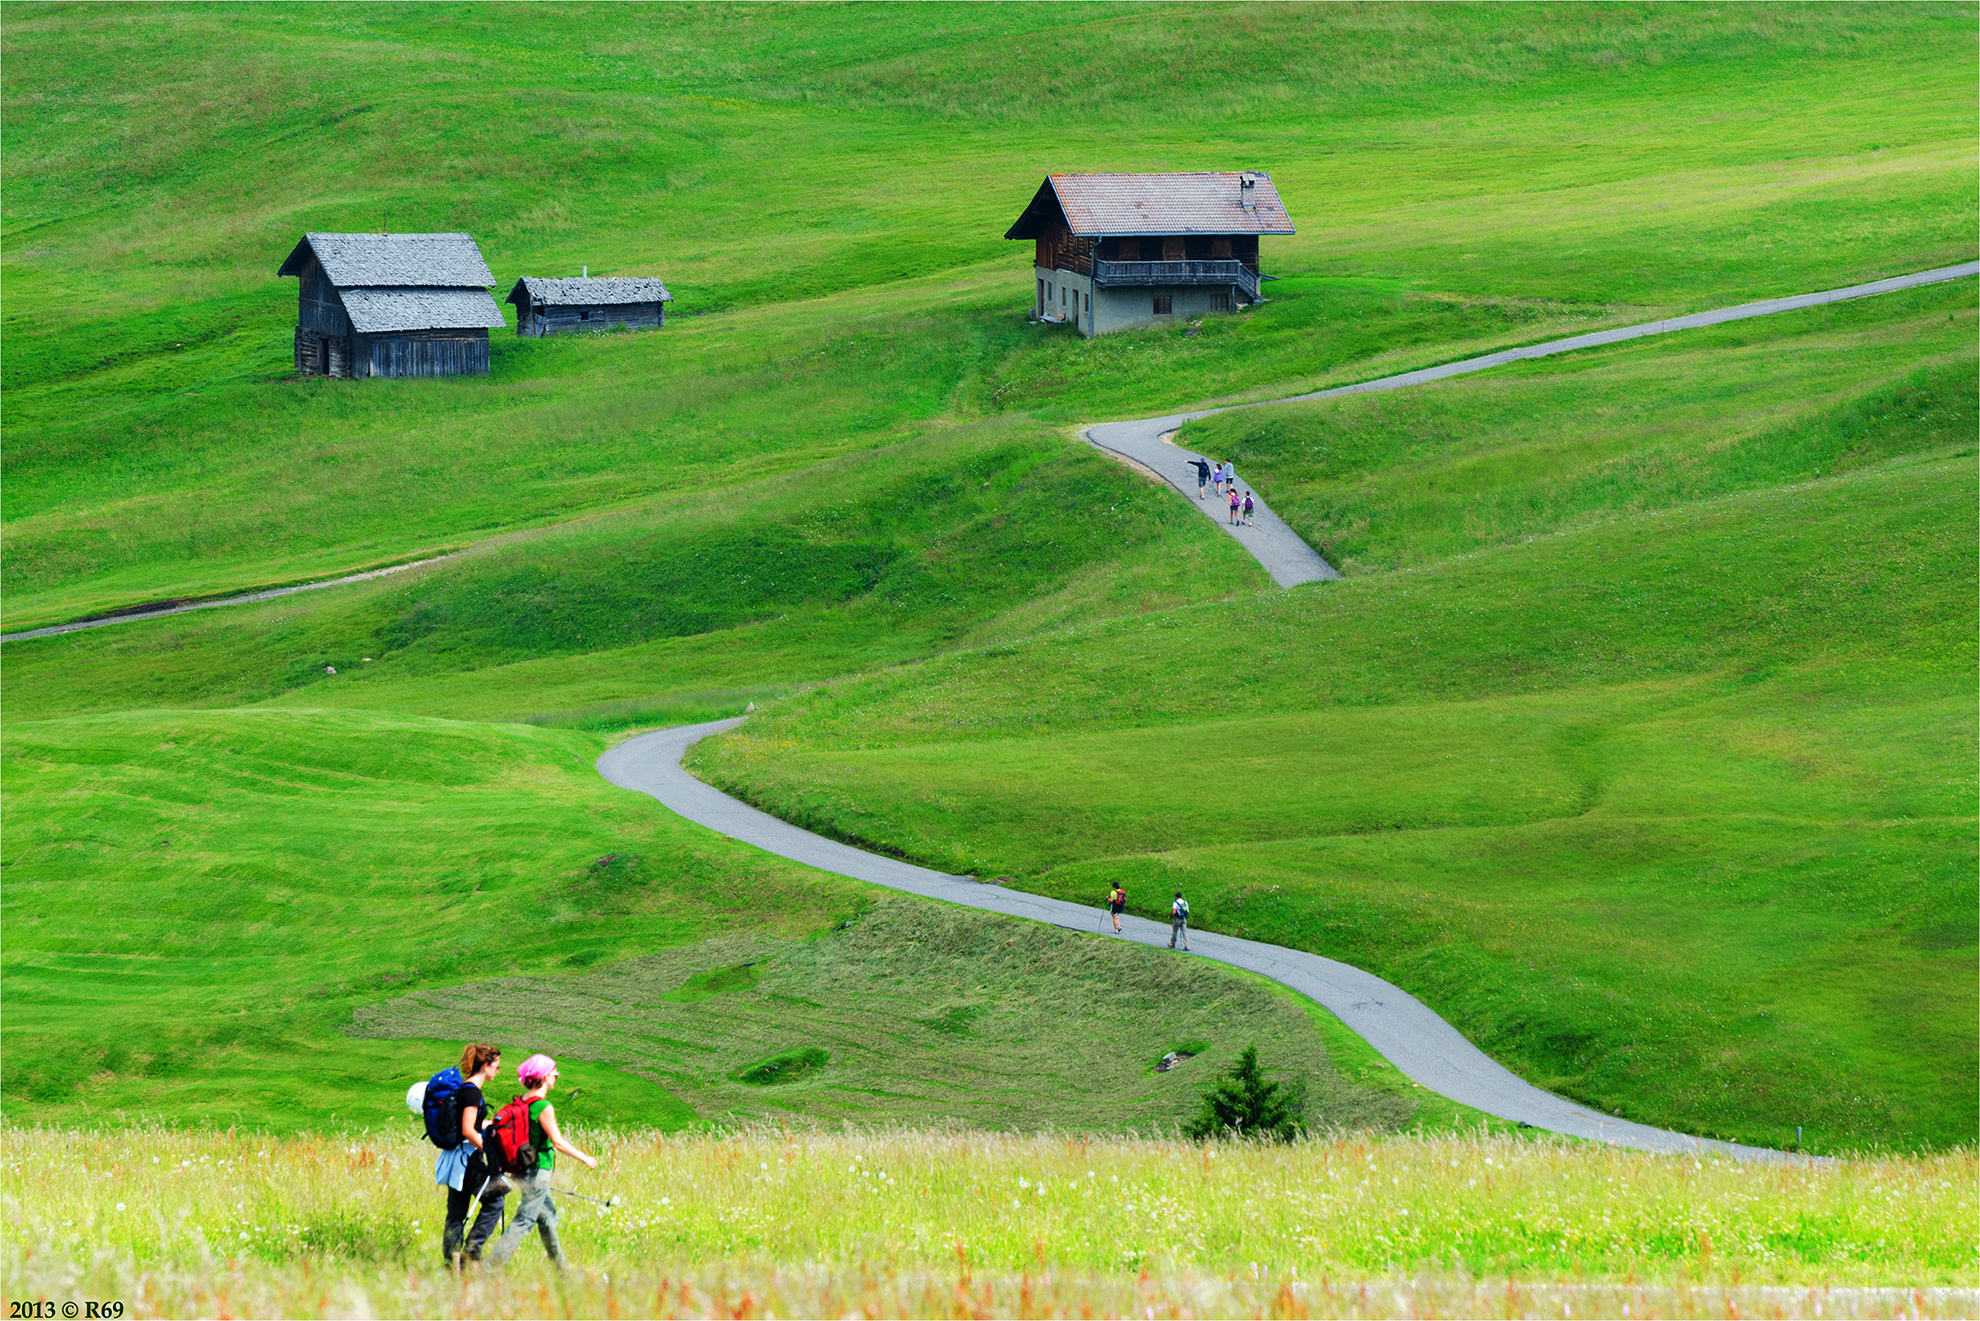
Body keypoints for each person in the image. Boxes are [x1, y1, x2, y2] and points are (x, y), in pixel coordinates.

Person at [484, 1054, 598, 1272]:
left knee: (547, 1219)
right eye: (554, 1073)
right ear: (545, 1077)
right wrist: (586, 1158)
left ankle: (563, 1271)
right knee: (524, 1221)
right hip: (538, 1171)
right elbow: (557, 1142)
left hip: (521, 1169)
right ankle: (488, 1269)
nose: (556, 1077)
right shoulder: (543, 1106)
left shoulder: (522, 1102)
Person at [437, 1043, 509, 1267]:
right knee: (495, 1201)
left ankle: (451, 1265)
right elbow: (468, 1130)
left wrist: (489, 1124)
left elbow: (470, 1124)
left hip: (455, 1159)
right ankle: (471, 1253)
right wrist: (487, 1150)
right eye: (496, 1066)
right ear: (485, 1066)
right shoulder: (471, 1092)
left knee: (456, 1213)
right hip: (466, 1160)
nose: (498, 1070)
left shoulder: (465, 1088)